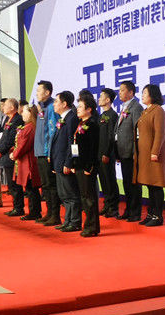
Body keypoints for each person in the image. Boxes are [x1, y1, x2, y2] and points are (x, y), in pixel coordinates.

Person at [134, 83, 165, 226]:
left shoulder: (158, 110)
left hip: (154, 155)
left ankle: (158, 216)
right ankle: (151, 214)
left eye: (145, 93)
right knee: (150, 185)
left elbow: (160, 133)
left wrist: (155, 151)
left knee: (156, 185)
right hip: (144, 154)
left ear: (152, 95)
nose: (142, 95)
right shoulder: (146, 111)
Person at [50, 90, 82, 232]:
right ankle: (68, 220)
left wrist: (69, 162)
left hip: (65, 163)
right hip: (59, 162)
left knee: (71, 194)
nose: (54, 104)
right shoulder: (63, 118)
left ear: (64, 104)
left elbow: (72, 143)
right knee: (64, 194)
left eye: (56, 101)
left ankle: (74, 222)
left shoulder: (72, 118)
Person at [70, 91, 101, 237]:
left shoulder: (92, 125)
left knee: (89, 198)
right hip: (79, 165)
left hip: (87, 166)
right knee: (84, 197)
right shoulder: (80, 123)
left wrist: (90, 166)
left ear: (89, 109)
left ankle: (92, 226)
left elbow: (94, 148)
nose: (78, 109)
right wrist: (74, 163)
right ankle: (88, 225)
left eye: (81, 107)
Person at [114, 81, 143, 221]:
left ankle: (135, 212)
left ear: (131, 92)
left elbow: (137, 131)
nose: (119, 92)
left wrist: (134, 152)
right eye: (119, 90)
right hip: (122, 151)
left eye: (122, 90)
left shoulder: (136, 107)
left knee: (133, 184)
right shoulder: (125, 107)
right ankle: (128, 209)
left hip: (131, 152)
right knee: (126, 183)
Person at [34, 80, 60, 225]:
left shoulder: (51, 107)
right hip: (40, 152)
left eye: (39, 90)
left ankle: (55, 215)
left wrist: (50, 152)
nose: (37, 93)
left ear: (47, 92)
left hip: (47, 153)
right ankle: (49, 213)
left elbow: (53, 131)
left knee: (51, 185)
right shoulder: (42, 108)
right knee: (45, 185)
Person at [11, 104, 42, 221]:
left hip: (28, 162)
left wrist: (14, 154)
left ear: (30, 113)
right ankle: (34, 211)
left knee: (31, 188)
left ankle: (34, 212)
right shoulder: (29, 126)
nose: (22, 114)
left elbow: (23, 146)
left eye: (24, 112)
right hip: (25, 161)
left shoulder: (30, 128)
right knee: (30, 188)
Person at [0, 98, 24, 216]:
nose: (3, 107)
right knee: (11, 185)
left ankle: (19, 208)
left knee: (15, 184)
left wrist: (1, 150)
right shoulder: (8, 119)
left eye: (5, 105)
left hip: (12, 156)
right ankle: (15, 206)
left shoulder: (17, 119)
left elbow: (11, 138)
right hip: (6, 155)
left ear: (12, 107)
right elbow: (3, 137)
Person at [98, 87, 120, 218]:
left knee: (110, 179)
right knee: (103, 180)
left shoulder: (112, 115)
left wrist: (106, 153)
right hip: (99, 153)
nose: (99, 99)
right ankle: (107, 204)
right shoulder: (101, 115)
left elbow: (112, 137)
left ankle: (113, 207)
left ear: (107, 100)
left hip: (107, 154)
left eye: (101, 97)